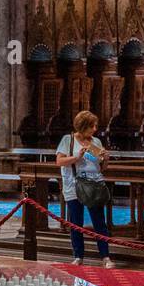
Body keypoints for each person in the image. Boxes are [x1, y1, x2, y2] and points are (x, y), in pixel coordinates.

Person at [55, 109, 114, 267]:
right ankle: (78, 256)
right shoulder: (68, 140)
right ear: (83, 126)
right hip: (74, 186)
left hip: (94, 185)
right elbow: (59, 161)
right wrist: (77, 157)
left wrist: (105, 159)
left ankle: (105, 257)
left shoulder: (96, 142)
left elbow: (101, 167)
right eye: (92, 126)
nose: (95, 129)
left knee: (99, 222)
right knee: (76, 222)